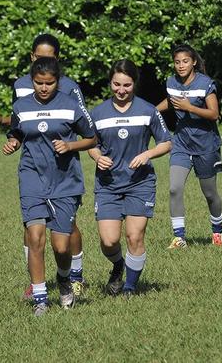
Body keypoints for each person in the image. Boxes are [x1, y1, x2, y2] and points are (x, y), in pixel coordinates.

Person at [0, 34, 87, 299]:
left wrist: (91, 151)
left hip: (61, 168)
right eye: (39, 57)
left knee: (67, 228)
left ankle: (75, 274)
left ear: (57, 60)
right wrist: (1, 122)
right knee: (32, 227)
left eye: (49, 58)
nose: (43, 62)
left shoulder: (69, 88)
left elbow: (84, 125)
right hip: (33, 164)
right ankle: (36, 283)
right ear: (31, 57)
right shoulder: (20, 86)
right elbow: (22, 120)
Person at [3, 57, 96, 315]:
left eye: (49, 83)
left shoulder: (71, 105)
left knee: (61, 246)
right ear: (32, 80)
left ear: (58, 81)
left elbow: (91, 137)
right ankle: (41, 299)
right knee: (35, 237)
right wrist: (13, 142)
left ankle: (64, 280)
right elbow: (16, 132)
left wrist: (70, 145)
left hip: (65, 180)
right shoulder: (21, 106)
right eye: (38, 83)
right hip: (31, 176)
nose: (44, 88)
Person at [88, 59, 171, 296]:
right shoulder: (99, 112)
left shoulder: (148, 110)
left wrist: (148, 153)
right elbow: (90, 143)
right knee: (109, 241)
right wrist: (97, 156)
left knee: (134, 236)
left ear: (134, 84)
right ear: (110, 83)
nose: (121, 90)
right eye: (116, 85)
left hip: (140, 183)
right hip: (108, 184)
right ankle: (118, 265)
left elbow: (166, 142)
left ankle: (130, 287)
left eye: (126, 85)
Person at [155, 44, 222, 248]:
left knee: (210, 194)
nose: (181, 65)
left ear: (193, 62)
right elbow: (170, 101)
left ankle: (217, 232)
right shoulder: (171, 82)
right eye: (177, 62)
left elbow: (214, 114)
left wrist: (189, 107)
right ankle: (179, 237)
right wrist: (150, 112)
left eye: (185, 61)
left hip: (206, 146)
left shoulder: (205, 84)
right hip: (181, 144)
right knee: (175, 188)